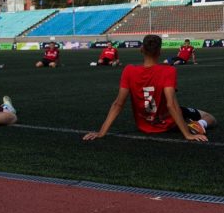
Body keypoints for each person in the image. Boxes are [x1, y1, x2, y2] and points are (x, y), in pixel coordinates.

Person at [83, 34, 215, 141]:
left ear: (141, 50)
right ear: (160, 51)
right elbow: (171, 105)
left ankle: (190, 123)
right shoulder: (168, 70)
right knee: (209, 116)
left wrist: (101, 132)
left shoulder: (129, 70)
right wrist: (187, 134)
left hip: (144, 125)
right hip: (167, 122)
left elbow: (118, 104)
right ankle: (196, 125)